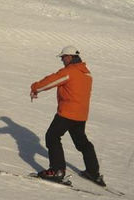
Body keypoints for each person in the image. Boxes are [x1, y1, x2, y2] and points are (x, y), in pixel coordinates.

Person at [30, 45, 105, 186]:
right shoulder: (87, 74)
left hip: (68, 112)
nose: (62, 60)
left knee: (52, 136)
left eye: (63, 58)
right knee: (82, 142)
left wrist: (35, 88)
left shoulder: (70, 72)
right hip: (81, 115)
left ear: (70, 57)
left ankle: (57, 171)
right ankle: (93, 172)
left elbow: (52, 80)